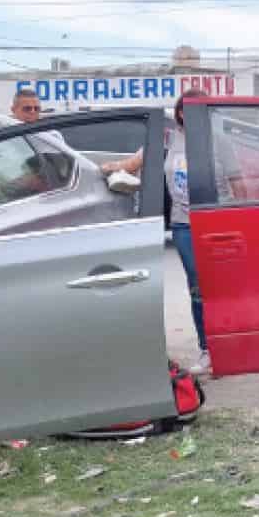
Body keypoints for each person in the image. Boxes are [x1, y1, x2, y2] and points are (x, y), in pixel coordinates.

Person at [103, 89, 212, 376]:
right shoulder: (167, 139)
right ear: (178, 113)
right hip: (183, 224)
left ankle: (229, 346)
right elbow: (132, 164)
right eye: (184, 109)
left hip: (215, 222)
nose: (189, 115)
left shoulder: (220, 141)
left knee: (222, 288)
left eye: (198, 108)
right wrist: (100, 169)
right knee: (197, 287)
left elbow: (236, 183)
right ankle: (207, 349)